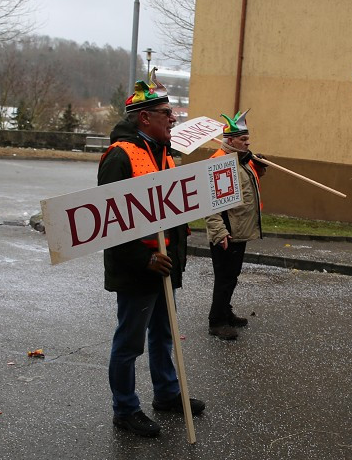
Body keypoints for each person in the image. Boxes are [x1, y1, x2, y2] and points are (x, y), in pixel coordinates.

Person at [97, 70, 205, 437]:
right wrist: (143, 260)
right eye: (166, 113)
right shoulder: (119, 157)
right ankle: (125, 409)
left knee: (164, 334)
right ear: (144, 118)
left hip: (166, 266)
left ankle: (167, 394)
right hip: (139, 269)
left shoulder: (166, 156)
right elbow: (108, 221)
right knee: (130, 342)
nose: (174, 118)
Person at [204, 110, 267, 341]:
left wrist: (258, 168)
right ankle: (216, 321)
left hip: (239, 230)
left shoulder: (242, 160)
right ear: (230, 141)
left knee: (232, 275)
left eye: (248, 138)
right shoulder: (220, 163)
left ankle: (225, 312)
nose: (248, 142)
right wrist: (220, 232)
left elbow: (246, 188)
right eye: (243, 139)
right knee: (224, 277)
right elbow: (210, 204)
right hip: (227, 232)